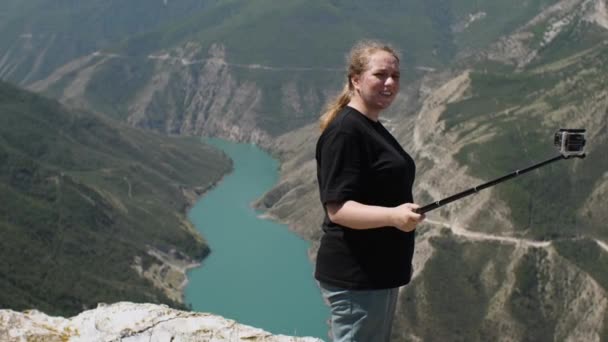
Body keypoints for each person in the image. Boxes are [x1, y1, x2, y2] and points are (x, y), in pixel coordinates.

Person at [315, 40, 424, 342]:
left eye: (396, 76)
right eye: (380, 75)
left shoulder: (370, 125)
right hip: (357, 276)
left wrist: (398, 212)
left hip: (377, 273)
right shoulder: (346, 131)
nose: (390, 83)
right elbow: (338, 209)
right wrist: (393, 216)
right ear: (356, 80)